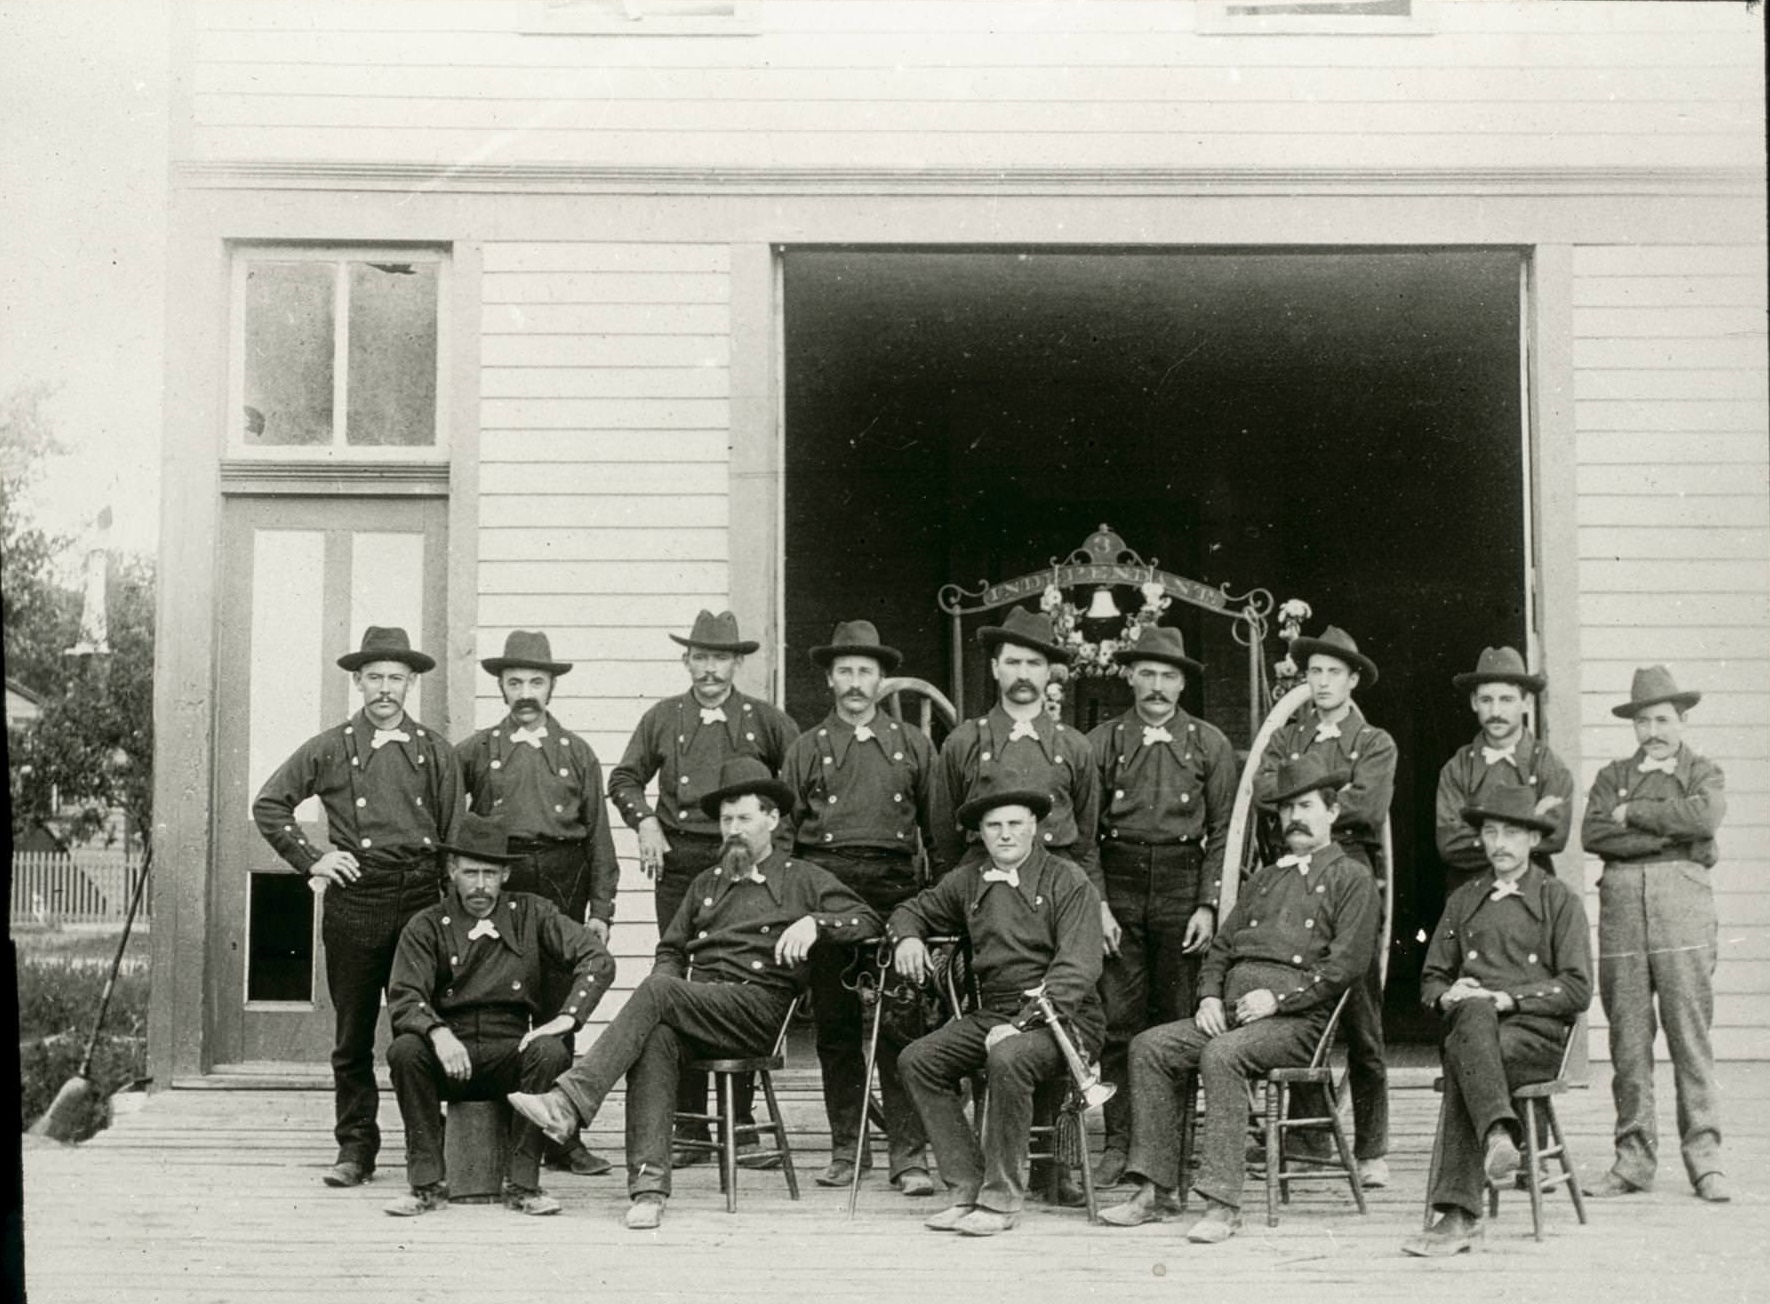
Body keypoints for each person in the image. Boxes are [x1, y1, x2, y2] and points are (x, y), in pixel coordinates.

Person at [508, 758, 881, 1229]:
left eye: (744, 819)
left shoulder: (803, 879)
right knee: (656, 1037)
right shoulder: (706, 883)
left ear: (771, 820)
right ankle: (648, 1189)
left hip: (758, 1010)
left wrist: (816, 922)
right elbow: (671, 949)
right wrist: (673, 988)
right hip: (699, 1008)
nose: (733, 830)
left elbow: (868, 921)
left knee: (661, 995)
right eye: (726, 821)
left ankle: (569, 1102)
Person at [1098, 754, 1379, 1244]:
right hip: (1231, 1014)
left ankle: (1223, 1203)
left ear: (1332, 813)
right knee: (1151, 1047)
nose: (1295, 817)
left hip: (1296, 1024)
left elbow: (1345, 967)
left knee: (1223, 1054)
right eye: (1287, 808)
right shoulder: (1266, 879)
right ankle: (1153, 1191)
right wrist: (1207, 996)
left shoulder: (1350, 877)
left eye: (1307, 805)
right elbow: (1222, 948)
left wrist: (1279, 999)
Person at [253, 625, 462, 1189]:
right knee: (352, 1034)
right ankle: (355, 1148)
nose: (385, 689)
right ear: (358, 682)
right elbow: (269, 805)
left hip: (420, 901)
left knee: (418, 1028)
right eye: (375, 678)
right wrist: (314, 859)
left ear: (412, 683)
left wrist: (452, 916)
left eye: (396, 678)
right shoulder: (330, 747)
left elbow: (452, 839)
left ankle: (428, 1146)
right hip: (356, 900)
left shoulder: (437, 752)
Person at [607, 609, 800, 1162]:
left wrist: (778, 860)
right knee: (680, 978)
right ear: (686, 660)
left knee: (736, 978)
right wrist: (644, 820)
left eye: (720, 659)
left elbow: (799, 786)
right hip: (682, 861)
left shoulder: (766, 720)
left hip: (745, 861)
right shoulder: (664, 717)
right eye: (700, 658)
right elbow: (624, 778)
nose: (710, 669)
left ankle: (740, 1126)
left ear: (736, 663)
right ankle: (689, 1128)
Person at [892, 789, 1105, 1237]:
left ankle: (1002, 1199)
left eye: (1014, 823)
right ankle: (966, 1185)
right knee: (918, 1060)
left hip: (1065, 1017)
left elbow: (1077, 969)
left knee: (1008, 1056)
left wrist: (1022, 1023)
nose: (1005, 834)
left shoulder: (1068, 880)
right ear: (981, 833)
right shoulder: (969, 879)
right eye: (994, 826)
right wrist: (907, 937)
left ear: (1034, 826)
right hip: (994, 1012)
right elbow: (912, 910)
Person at [382, 813, 617, 1217]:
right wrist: (437, 1033)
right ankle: (425, 1183)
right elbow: (404, 995)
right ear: (451, 871)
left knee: (551, 1052)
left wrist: (567, 1019)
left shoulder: (533, 914)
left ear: (506, 874)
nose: (479, 885)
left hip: (510, 1050)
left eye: (490, 873)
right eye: (470, 872)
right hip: (448, 1053)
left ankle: (523, 1184)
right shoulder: (426, 926)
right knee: (405, 1051)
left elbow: (597, 958)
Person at [777, 619, 937, 1194]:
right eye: (844, 671)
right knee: (837, 1028)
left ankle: (908, 1155)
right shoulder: (806, 748)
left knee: (901, 1026)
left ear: (881, 679)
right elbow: (784, 838)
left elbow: (937, 834)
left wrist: (932, 908)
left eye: (864, 671)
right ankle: (849, 1149)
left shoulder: (913, 746)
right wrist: (795, 903)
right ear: (828, 679)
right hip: (827, 890)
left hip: (897, 892)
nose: (854, 682)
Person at [457, 629, 621, 1176]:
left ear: (551, 687)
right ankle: (502, 1128)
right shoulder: (477, 750)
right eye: (514, 682)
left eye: (536, 681)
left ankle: (562, 1135)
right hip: (497, 884)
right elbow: (443, 821)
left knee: (559, 1011)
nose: (525, 691)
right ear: (501, 689)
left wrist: (600, 910)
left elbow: (599, 835)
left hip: (561, 879)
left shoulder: (577, 752)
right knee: (499, 999)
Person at [1403, 784, 1591, 1256]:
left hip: (1534, 1038)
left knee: (1467, 1050)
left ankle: (1458, 1216)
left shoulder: (1558, 900)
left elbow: (1577, 988)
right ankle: (1498, 1134)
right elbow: (1430, 981)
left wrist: (1507, 999)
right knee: (1471, 1022)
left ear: (1533, 840)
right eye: (1491, 832)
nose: (1500, 844)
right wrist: (1450, 995)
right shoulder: (1464, 899)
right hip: (1477, 1033)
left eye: (1512, 833)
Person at [1085, 625, 1234, 1189]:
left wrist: (1208, 904)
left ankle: (1169, 1150)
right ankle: (1119, 1143)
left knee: (1175, 1021)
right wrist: (1099, 903)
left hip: (1181, 884)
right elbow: (1084, 834)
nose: (1156, 686)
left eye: (1168, 676)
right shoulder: (1101, 742)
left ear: (1182, 684)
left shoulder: (1209, 743)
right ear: (1129, 676)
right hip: (1118, 882)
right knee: (1118, 1022)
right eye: (1146, 673)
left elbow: (1223, 832)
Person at [1251, 623, 1394, 1187]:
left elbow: (1367, 804)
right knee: (1298, 996)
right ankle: (1308, 1133)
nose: (1324, 681)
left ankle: (1373, 1147)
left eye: (1335, 672)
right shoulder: (1288, 736)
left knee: (1359, 1010)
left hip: (1351, 869)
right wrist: (1318, 800)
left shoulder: (1374, 741)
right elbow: (1264, 790)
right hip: (1293, 871)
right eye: (1314, 672)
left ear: (1353, 678)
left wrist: (1302, 799)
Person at [1581, 665, 1730, 1204]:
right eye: (1643, 721)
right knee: (1627, 1037)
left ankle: (1706, 1160)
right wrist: (1671, 839)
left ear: (1682, 720)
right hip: (1621, 906)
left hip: (1683, 907)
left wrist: (1636, 815)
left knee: (1690, 1035)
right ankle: (1633, 1160)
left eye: (1663, 719)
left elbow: (1705, 820)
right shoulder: (1610, 776)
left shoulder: (1703, 772)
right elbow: (1594, 832)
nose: (1653, 732)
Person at [1434, 646, 1573, 896]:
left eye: (1506, 699)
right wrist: (1527, 826)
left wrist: (1480, 831)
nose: (1496, 712)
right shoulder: (1457, 769)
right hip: (1470, 896)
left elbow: (1556, 836)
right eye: (1487, 700)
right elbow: (1450, 844)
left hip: (1532, 896)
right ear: (1474, 702)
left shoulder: (1549, 766)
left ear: (1526, 702)